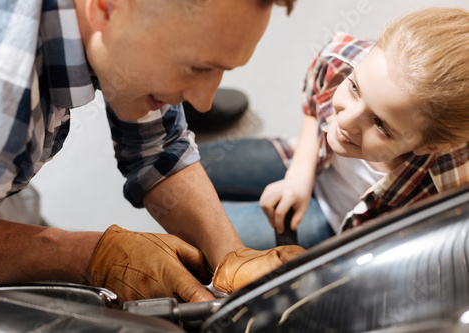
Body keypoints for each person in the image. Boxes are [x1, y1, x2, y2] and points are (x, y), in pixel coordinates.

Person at [0, 0, 305, 304]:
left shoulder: (125, 25)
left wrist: (231, 256)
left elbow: (159, 150)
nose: (204, 101)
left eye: (220, 70)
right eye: (198, 68)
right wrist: (82, 254)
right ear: (104, 9)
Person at [199, 7, 469, 250]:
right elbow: (315, 96)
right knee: (189, 171)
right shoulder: (351, 60)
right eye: (354, 88)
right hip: (302, 159)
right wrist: (299, 174)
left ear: (429, 147)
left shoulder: (451, 189)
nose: (346, 121)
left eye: (380, 125)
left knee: (201, 235)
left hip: (335, 224)